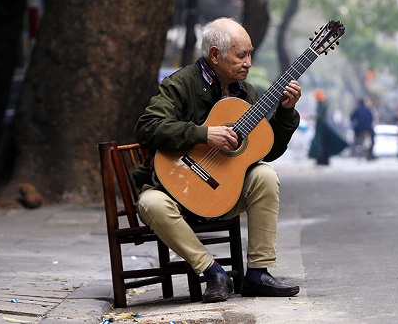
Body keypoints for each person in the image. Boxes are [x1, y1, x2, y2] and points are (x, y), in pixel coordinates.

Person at [133, 17, 302, 303]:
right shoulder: (180, 84)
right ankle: (213, 272)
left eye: (250, 54)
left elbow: (265, 151)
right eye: (241, 55)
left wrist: (286, 113)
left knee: (265, 175)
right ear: (215, 55)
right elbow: (147, 127)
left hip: (224, 195)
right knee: (150, 204)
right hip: (176, 192)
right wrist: (203, 134)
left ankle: (258, 273)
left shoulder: (245, 93)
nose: (249, 62)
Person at [308, 89, 347, 165]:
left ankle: (322, 160)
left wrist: (310, 117)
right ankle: (322, 160)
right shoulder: (322, 103)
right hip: (322, 126)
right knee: (323, 144)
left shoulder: (322, 104)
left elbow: (319, 116)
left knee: (322, 144)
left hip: (322, 126)